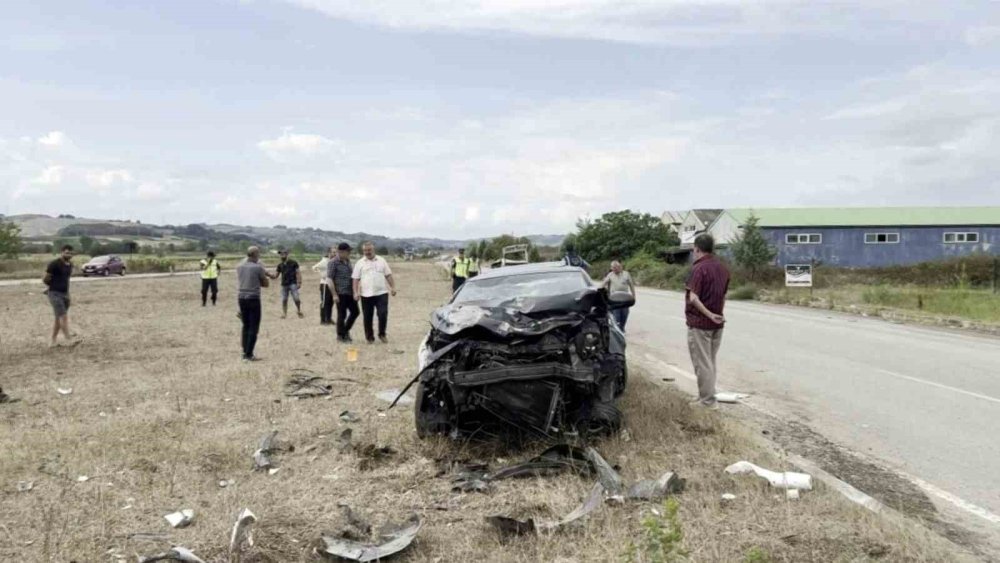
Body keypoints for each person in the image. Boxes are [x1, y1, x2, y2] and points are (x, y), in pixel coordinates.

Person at [685, 234, 730, 409]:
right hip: (717, 323)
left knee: (702, 363)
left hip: (700, 323)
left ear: (696, 248)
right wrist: (717, 314)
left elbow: (694, 298)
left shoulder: (699, 268)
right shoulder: (722, 268)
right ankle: (705, 395)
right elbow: (723, 296)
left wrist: (709, 314)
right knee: (710, 362)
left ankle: (707, 401)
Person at [352, 241, 397, 344]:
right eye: (365, 250)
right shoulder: (359, 263)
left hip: (381, 293)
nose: (367, 252)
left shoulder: (382, 260)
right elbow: (355, 279)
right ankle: (369, 337)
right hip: (366, 294)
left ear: (373, 250)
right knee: (367, 316)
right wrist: (355, 292)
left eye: (369, 250)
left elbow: (388, 275)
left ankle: (382, 334)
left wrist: (393, 287)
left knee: (382, 314)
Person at [236, 246, 270, 361]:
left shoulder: (239, 266)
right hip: (253, 298)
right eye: (258, 254)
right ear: (255, 254)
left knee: (245, 325)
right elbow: (266, 284)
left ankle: (244, 351)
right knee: (253, 326)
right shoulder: (258, 268)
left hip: (241, 298)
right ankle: (249, 354)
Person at [43, 244, 78, 347]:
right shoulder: (54, 264)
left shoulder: (70, 265)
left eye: (71, 253)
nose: (69, 255)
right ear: (62, 252)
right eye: (67, 253)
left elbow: (65, 278)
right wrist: (52, 287)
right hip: (55, 294)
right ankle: (69, 340)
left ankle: (52, 341)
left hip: (65, 294)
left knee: (58, 318)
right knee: (63, 316)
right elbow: (45, 279)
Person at [329, 242, 359, 342]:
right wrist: (334, 294)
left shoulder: (348, 261)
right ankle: (340, 335)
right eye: (348, 251)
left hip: (350, 292)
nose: (349, 253)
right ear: (341, 252)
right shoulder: (333, 262)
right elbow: (329, 279)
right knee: (342, 315)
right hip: (340, 293)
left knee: (355, 312)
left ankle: (345, 331)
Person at [603, 260, 636, 330]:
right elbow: (604, 284)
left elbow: (631, 285)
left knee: (625, 315)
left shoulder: (626, 274)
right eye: (613, 268)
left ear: (620, 267)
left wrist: (633, 296)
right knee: (616, 317)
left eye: (616, 267)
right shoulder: (610, 275)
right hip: (614, 300)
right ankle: (617, 330)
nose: (614, 269)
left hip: (625, 299)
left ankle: (622, 328)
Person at [275, 249, 304, 319]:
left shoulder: (294, 263)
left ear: (287, 254)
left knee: (296, 298)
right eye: (281, 254)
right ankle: (284, 313)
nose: (282, 255)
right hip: (284, 284)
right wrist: (267, 274)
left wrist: (299, 282)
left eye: (283, 254)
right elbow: (276, 275)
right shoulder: (280, 265)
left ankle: (299, 310)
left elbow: (298, 272)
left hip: (293, 283)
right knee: (284, 299)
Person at [313, 249, 334, 325]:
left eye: (335, 252)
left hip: (331, 284)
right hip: (325, 284)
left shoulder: (332, 261)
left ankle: (328, 318)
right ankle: (323, 320)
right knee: (325, 302)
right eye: (333, 252)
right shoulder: (324, 261)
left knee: (331, 302)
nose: (334, 254)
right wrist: (322, 275)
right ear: (329, 253)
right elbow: (314, 267)